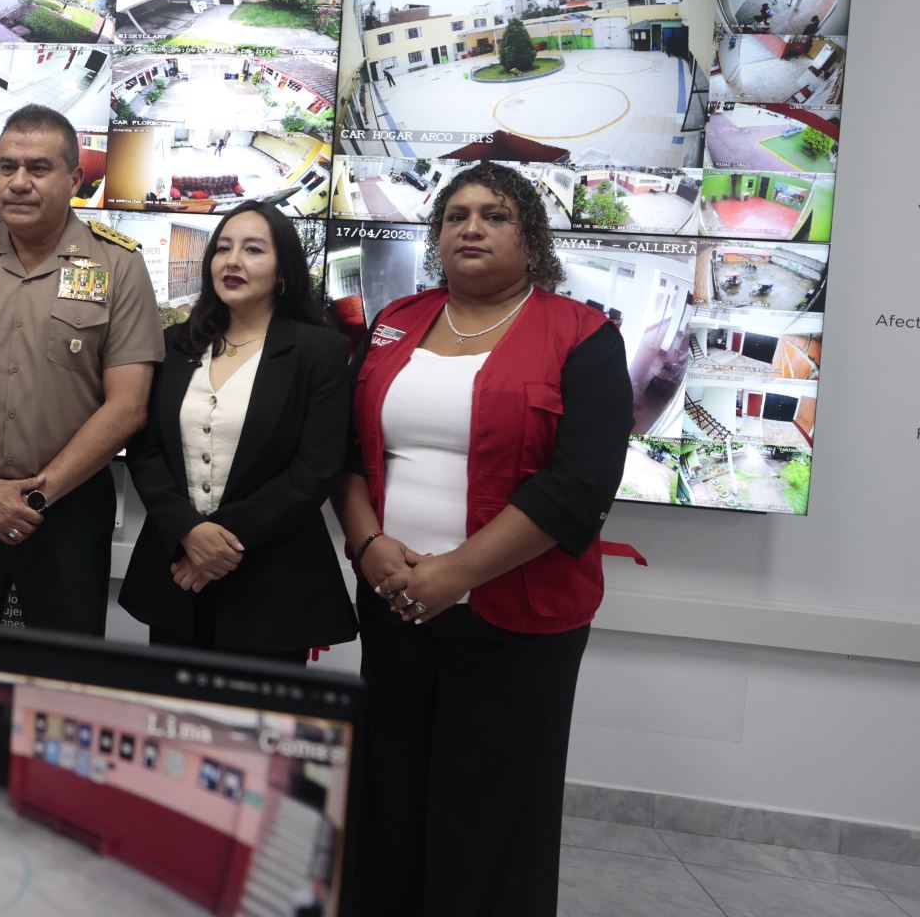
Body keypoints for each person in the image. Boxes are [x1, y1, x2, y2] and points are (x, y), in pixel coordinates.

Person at [335, 162, 632, 917]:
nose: (472, 227)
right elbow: (347, 453)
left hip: (519, 618)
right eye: (456, 214)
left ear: (531, 238)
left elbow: (579, 486)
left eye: (495, 215)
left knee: (491, 812)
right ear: (436, 236)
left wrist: (455, 574)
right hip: (395, 603)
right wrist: (368, 545)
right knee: (388, 793)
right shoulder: (396, 320)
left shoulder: (583, 335)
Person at [0, 106, 163, 633]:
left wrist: (37, 497)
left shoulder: (119, 265)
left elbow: (128, 405)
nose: (18, 182)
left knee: (61, 674)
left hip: (67, 510)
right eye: (7, 167)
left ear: (74, 179)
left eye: (38, 168)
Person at [120, 202, 355, 663]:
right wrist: (188, 531)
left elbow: (315, 470)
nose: (233, 261)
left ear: (283, 269)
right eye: (223, 248)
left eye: (253, 250)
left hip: (273, 581)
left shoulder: (319, 351)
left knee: (258, 728)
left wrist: (216, 542)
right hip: (175, 574)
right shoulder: (176, 344)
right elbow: (145, 449)